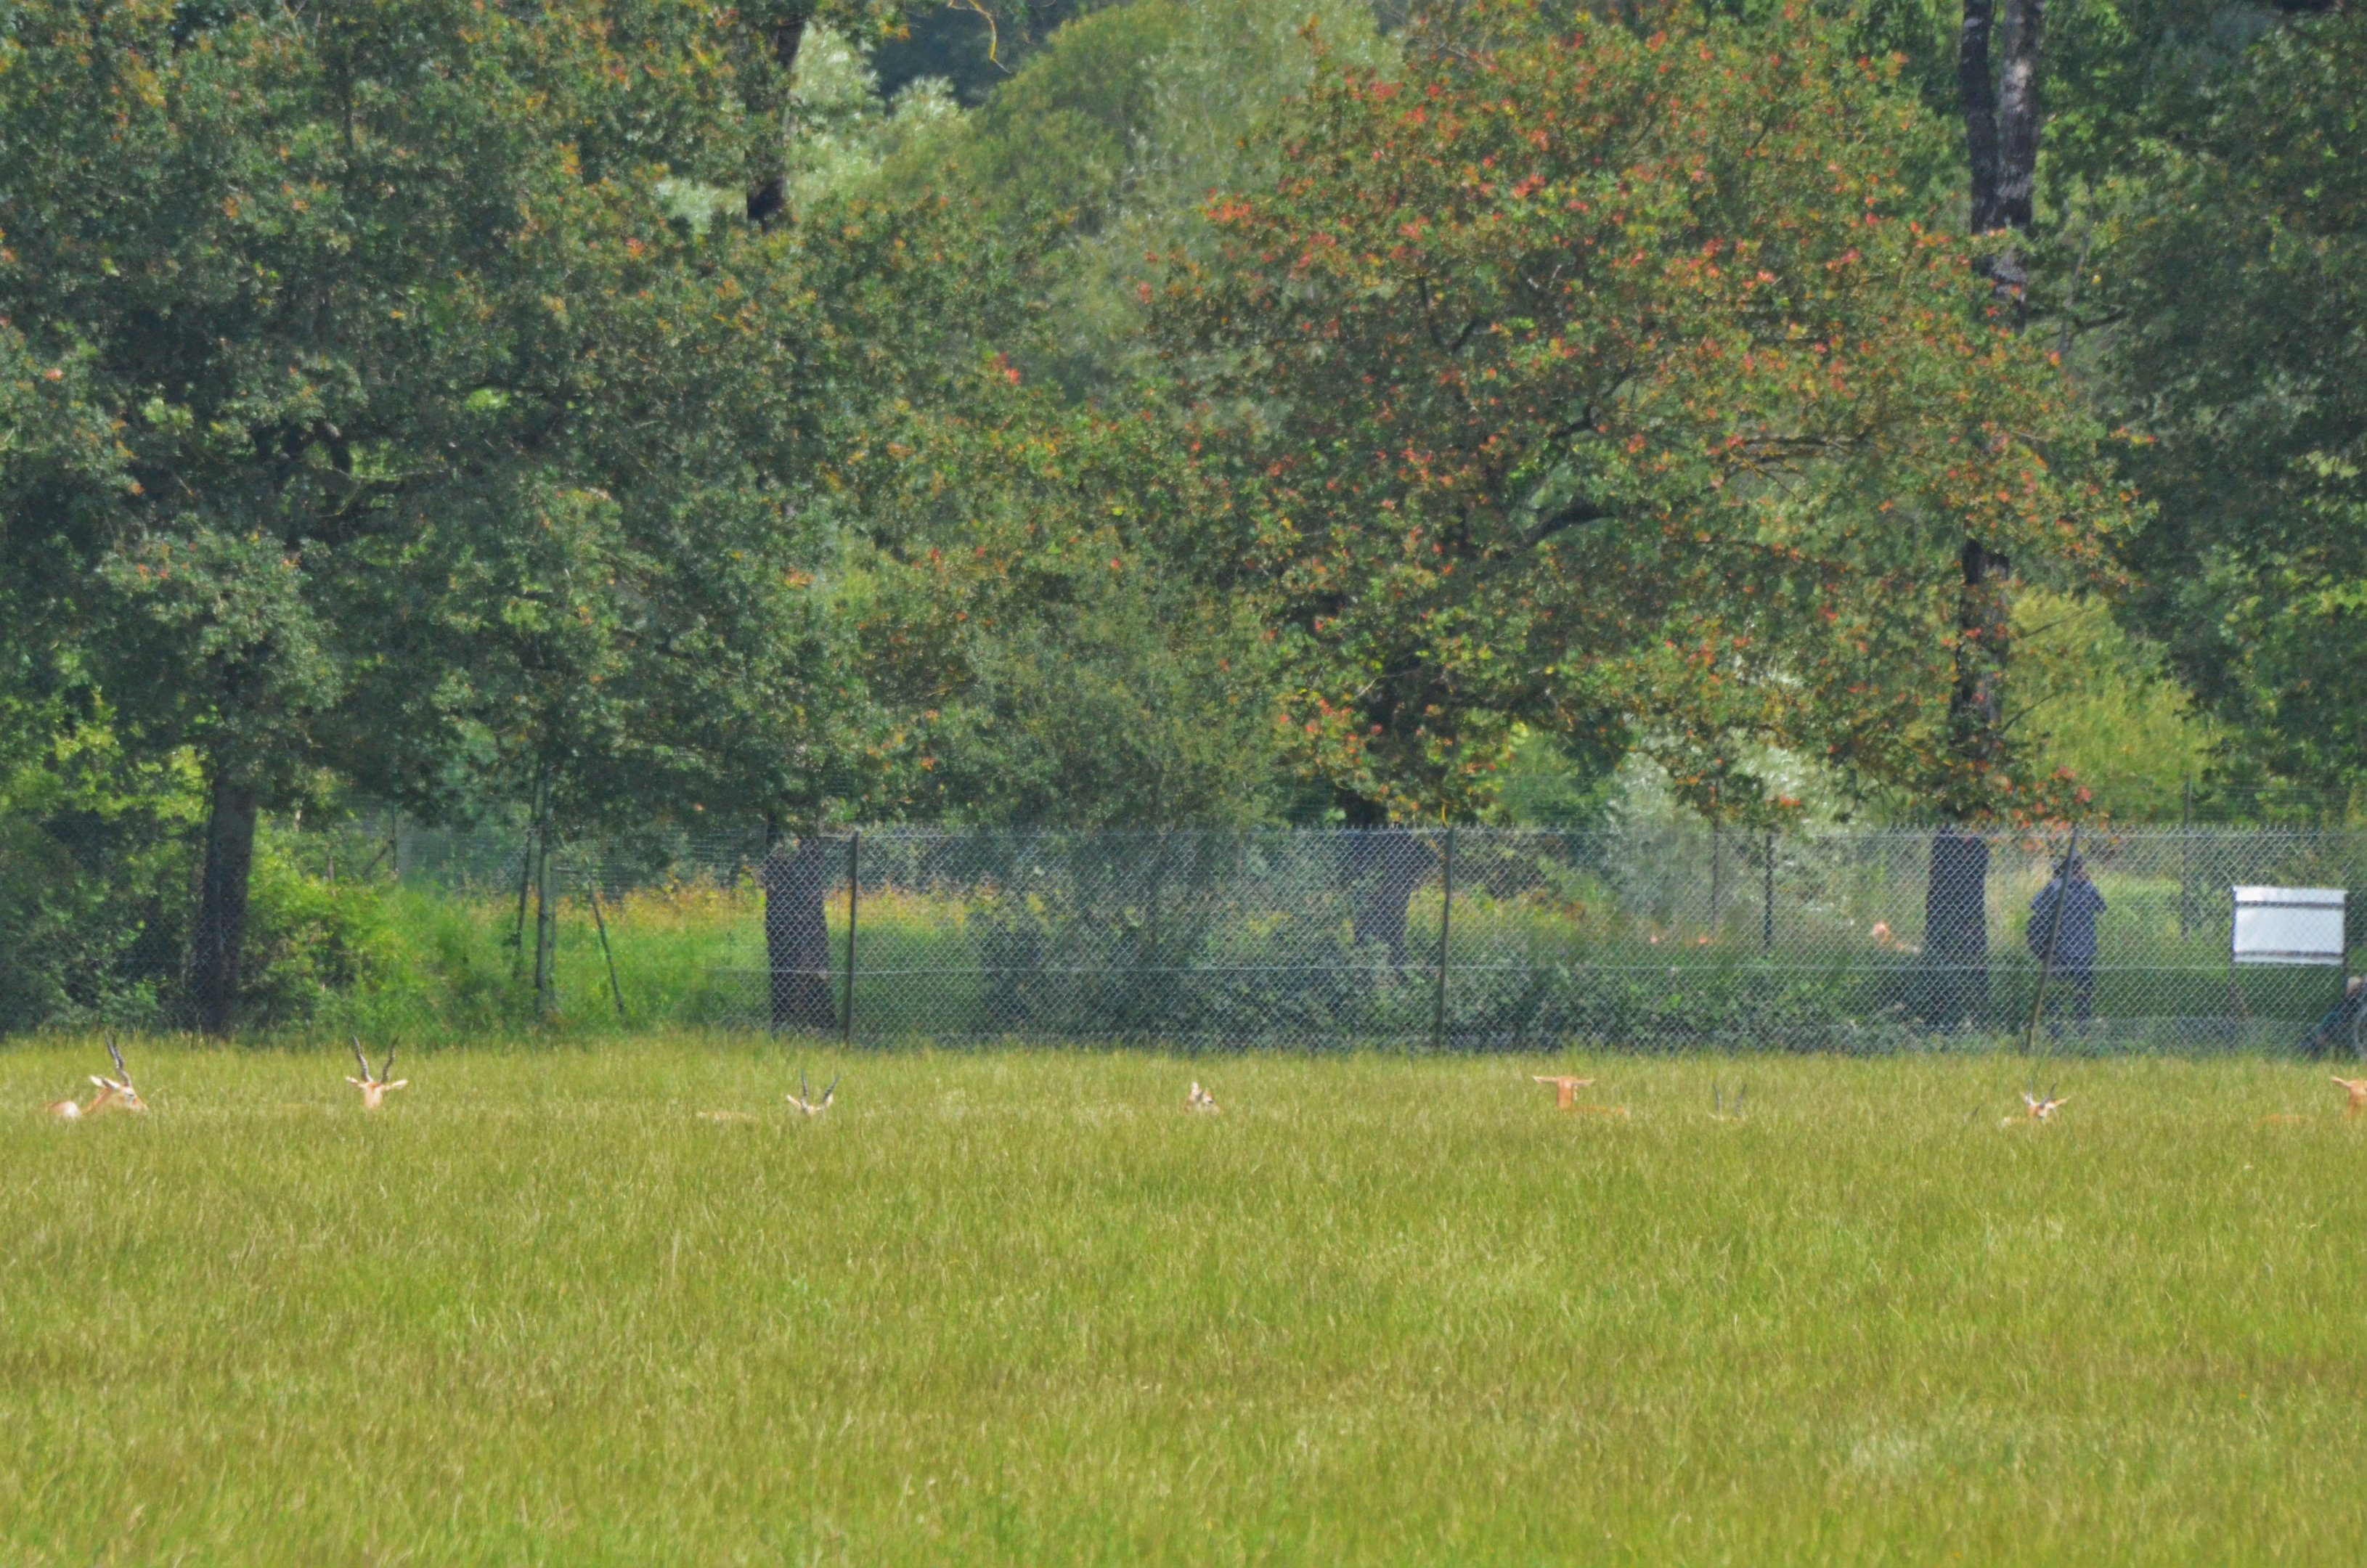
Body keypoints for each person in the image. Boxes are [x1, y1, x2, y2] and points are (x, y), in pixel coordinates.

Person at [2027, 853, 2106, 1024]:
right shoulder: (2089, 887)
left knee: (2056, 993)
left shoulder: (2055, 886)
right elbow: (2102, 907)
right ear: (2081, 867)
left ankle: (2055, 1030)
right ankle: (2082, 1028)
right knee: (2084, 994)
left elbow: (2035, 905)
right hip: (2085, 950)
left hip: (2059, 950)